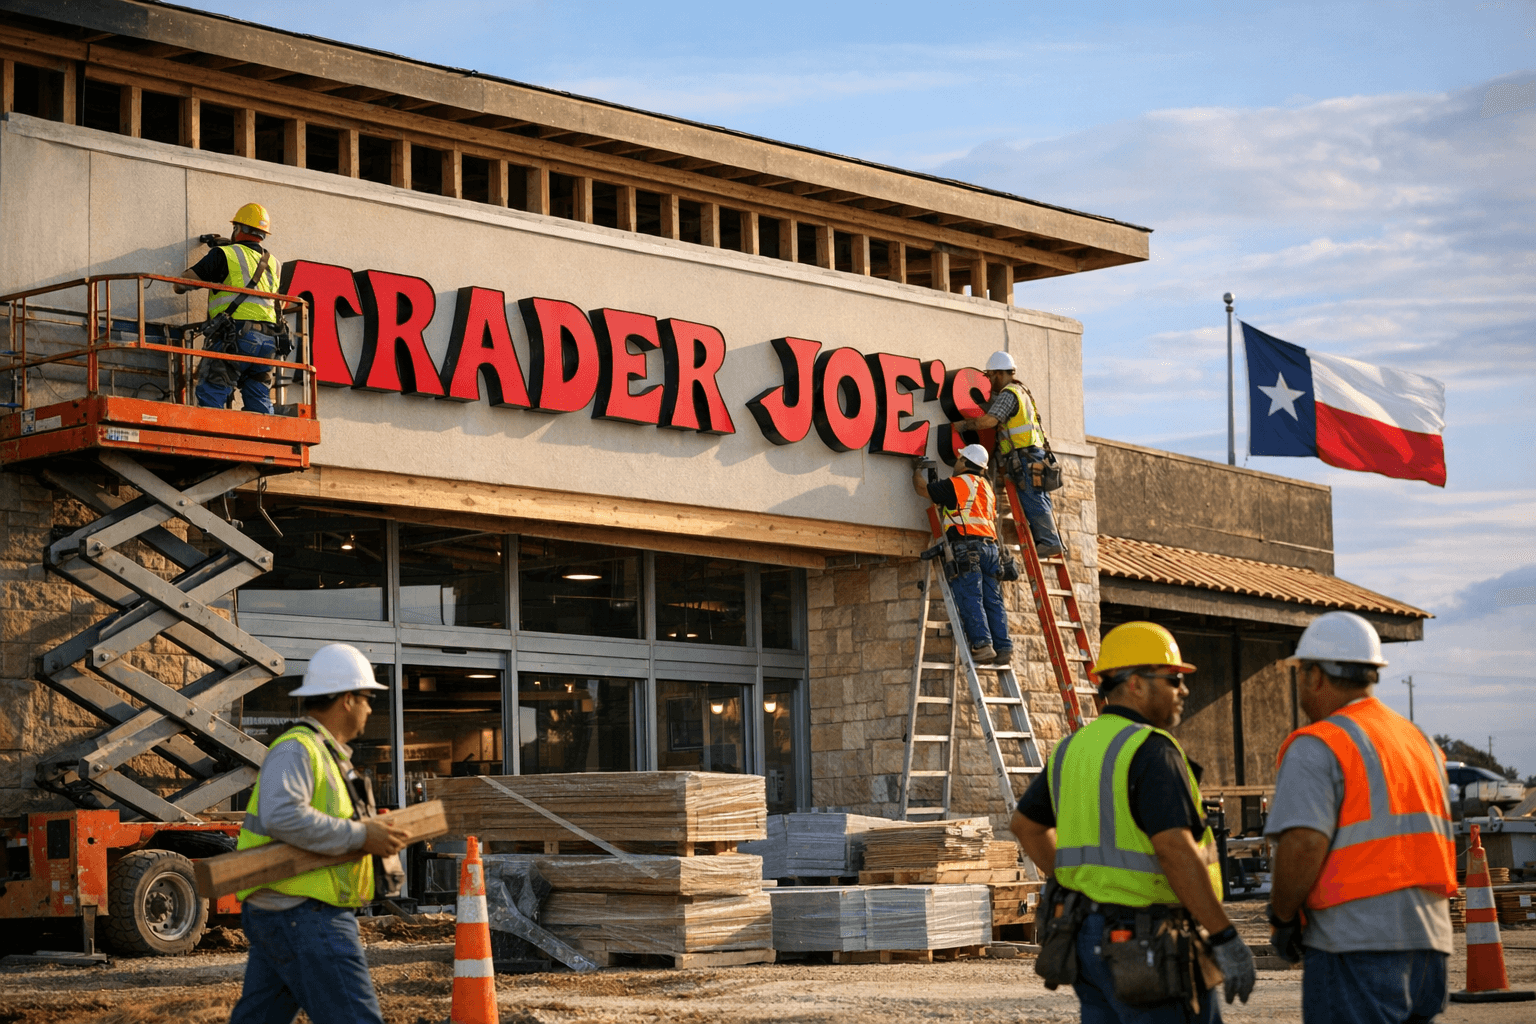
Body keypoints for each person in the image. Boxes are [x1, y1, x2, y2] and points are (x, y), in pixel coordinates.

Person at [1011, 621, 1256, 1023]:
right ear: (1136, 683)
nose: (1184, 690)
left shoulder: (1072, 749)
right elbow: (1175, 850)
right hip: (1148, 942)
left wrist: (1078, 882)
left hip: (1083, 936)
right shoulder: (1153, 751)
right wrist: (1224, 936)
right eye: (1174, 678)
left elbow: (1026, 826)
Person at [1265, 611, 1456, 1024]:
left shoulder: (1319, 744)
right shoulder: (1419, 742)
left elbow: (1303, 843)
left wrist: (1282, 918)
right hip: (1430, 942)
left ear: (1315, 675)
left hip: (1353, 943)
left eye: (1300, 673)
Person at [229, 643, 410, 1024]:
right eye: (367, 698)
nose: (369, 708)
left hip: (287, 911)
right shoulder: (296, 749)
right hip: (305, 913)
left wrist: (370, 833)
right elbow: (283, 816)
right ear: (347, 699)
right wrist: (363, 836)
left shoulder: (324, 754)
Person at [952, 350, 1065, 558]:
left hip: (1025, 455)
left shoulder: (1009, 394)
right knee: (1039, 497)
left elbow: (990, 421)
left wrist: (964, 425)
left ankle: (1049, 542)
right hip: (1035, 453)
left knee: (1033, 497)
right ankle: (1050, 540)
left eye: (989, 376)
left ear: (998, 373)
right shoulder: (1023, 391)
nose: (988, 380)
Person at [174, 202, 282, 414]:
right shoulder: (275, 263)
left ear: (237, 229)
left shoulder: (224, 254)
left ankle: (210, 438)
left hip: (236, 337)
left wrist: (216, 256)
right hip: (269, 341)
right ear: (263, 235)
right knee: (258, 394)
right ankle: (262, 440)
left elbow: (181, 285)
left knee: (213, 389)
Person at [912, 442, 1012, 665]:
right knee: (993, 599)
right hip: (991, 549)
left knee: (970, 595)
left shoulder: (958, 484)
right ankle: (1003, 647)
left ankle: (982, 645)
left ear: (966, 462)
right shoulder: (986, 487)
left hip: (968, 547)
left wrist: (915, 470)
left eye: (959, 459)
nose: (956, 463)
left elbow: (923, 490)